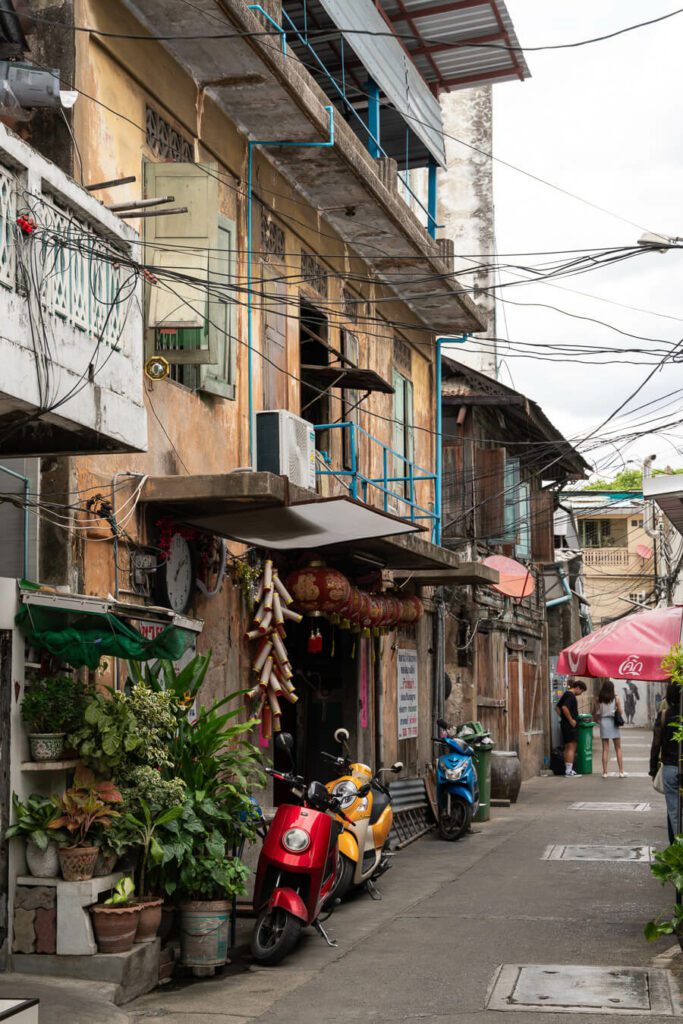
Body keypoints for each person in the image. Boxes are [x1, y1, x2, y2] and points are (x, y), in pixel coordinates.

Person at [649, 682, 681, 843]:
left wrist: (653, 769)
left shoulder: (664, 715)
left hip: (669, 768)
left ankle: (677, 850)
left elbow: (656, 745)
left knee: (674, 812)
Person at [593, 680, 626, 778]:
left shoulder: (598, 699)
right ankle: (621, 771)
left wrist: (599, 720)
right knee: (618, 748)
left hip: (603, 722)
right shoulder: (616, 698)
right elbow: (620, 712)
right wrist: (617, 708)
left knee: (605, 749)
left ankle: (605, 772)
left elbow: (596, 713)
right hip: (613, 722)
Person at [556, 681, 587, 777]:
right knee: (571, 747)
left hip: (565, 725)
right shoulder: (571, 695)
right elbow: (564, 708)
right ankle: (569, 771)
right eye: (581, 691)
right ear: (578, 687)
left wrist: (563, 718)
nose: (580, 694)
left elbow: (557, 707)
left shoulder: (566, 694)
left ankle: (568, 769)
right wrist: (570, 720)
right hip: (570, 726)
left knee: (567, 747)